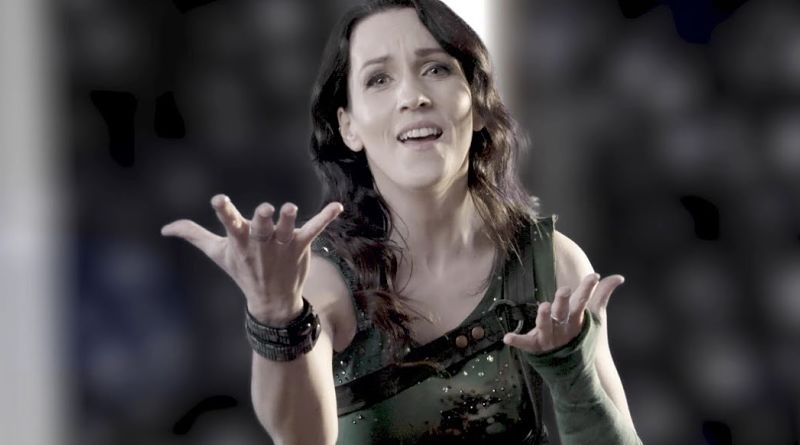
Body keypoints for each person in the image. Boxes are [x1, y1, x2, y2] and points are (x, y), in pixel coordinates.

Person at [161, 0, 643, 443]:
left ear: (477, 104)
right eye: (379, 79)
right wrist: (276, 316)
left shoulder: (551, 262)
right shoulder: (324, 279)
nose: (413, 96)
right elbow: (302, 439)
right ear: (348, 126)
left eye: (435, 69)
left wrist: (571, 371)